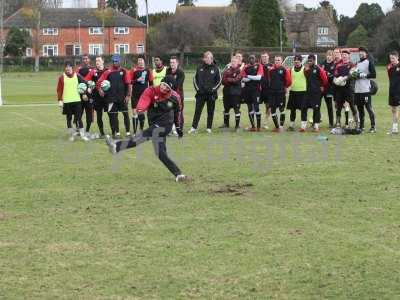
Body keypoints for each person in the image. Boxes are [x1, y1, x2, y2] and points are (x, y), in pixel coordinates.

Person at [105, 76, 187, 182]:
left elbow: (177, 113)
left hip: (165, 124)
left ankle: (116, 146)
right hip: (154, 123)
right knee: (160, 153)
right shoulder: (151, 90)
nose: (164, 89)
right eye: (164, 85)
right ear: (161, 83)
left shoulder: (175, 97)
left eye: (168, 88)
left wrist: (178, 127)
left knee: (143, 136)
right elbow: (144, 99)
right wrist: (140, 109)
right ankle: (178, 175)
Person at [97, 54, 132, 138]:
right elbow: (99, 82)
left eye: (117, 61)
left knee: (125, 114)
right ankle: (116, 133)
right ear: (112, 62)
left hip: (122, 98)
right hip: (111, 98)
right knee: (113, 116)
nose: (116, 62)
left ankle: (128, 132)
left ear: (120, 61)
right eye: (114, 61)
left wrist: (128, 96)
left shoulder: (124, 71)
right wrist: (100, 90)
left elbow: (129, 84)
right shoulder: (108, 72)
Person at [189, 51, 222, 134]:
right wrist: (198, 89)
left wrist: (213, 89)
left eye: (210, 57)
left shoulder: (216, 68)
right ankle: (193, 127)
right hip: (200, 94)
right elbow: (194, 80)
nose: (208, 59)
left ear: (212, 58)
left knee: (210, 111)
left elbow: (219, 81)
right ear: (204, 59)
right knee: (197, 111)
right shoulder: (199, 67)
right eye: (207, 58)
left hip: (211, 94)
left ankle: (209, 128)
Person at [57, 61, 90, 141]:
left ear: (72, 68)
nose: (67, 68)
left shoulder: (77, 75)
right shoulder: (61, 77)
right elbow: (59, 90)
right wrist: (60, 100)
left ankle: (82, 135)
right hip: (67, 102)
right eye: (66, 67)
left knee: (79, 118)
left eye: (69, 67)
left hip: (77, 101)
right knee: (69, 119)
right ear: (64, 68)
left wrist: (85, 92)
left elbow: (85, 83)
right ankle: (72, 135)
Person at [301, 54, 328, 132]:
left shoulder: (318, 69)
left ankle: (316, 126)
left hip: (316, 93)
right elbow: (306, 77)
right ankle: (303, 126)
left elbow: (325, 79)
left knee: (316, 109)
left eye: (311, 61)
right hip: (307, 92)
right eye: (308, 61)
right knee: (303, 107)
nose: (309, 62)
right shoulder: (306, 69)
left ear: (314, 61)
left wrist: (322, 86)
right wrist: (306, 70)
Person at [333, 50, 358, 128]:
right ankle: (338, 122)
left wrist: (345, 78)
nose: (344, 56)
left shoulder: (352, 65)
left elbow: (354, 74)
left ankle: (357, 122)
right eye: (343, 54)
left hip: (349, 88)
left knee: (352, 105)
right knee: (339, 105)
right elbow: (336, 74)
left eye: (345, 55)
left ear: (348, 56)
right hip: (340, 89)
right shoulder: (338, 65)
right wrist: (336, 80)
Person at [354, 47, 376, 133]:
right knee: (360, 109)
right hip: (357, 90)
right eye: (359, 52)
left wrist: (364, 75)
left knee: (368, 108)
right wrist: (354, 75)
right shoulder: (357, 63)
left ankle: (373, 126)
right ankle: (362, 127)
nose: (361, 53)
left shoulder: (369, 62)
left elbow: (374, 74)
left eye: (362, 52)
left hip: (366, 90)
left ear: (366, 54)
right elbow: (355, 74)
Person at [267, 55, 291, 132]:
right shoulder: (271, 70)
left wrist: (284, 87)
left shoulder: (284, 70)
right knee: (273, 110)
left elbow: (289, 81)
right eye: (276, 60)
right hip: (272, 93)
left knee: (281, 109)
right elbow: (269, 79)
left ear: (281, 61)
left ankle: (281, 126)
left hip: (280, 93)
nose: (277, 61)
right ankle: (277, 127)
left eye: (278, 60)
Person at [130, 56, 154, 135]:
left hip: (144, 96)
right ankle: (134, 132)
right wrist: (137, 80)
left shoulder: (148, 71)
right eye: (139, 60)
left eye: (141, 60)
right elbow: (130, 81)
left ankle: (141, 129)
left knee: (141, 113)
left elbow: (151, 84)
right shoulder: (133, 70)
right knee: (134, 113)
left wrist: (151, 95)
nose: (140, 62)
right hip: (135, 95)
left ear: (144, 61)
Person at [240, 54, 264, 131]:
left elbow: (259, 77)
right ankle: (253, 126)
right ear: (248, 59)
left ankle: (259, 127)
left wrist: (248, 76)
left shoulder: (259, 66)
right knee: (250, 108)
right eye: (250, 58)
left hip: (256, 90)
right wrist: (251, 77)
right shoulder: (245, 67)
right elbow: (243, 78)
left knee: (256, 108)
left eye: (253, 58)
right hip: (247, 91)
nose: (251, 60)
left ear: (255, 59)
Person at [221, 55, 242, 130]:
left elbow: (236, 80)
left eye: (235, 61)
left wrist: (228, 79)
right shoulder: (227, 70)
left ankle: (237, 126)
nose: (233, 63)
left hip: (236, 94)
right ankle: (226, 124)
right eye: (232, 61)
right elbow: (223, 81)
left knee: (236, 110)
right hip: (227, 93)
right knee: (226, 109)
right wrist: (231, 79)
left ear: (237, 62)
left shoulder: (239, 70)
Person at [287, 54, 307, 131]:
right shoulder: (291, 69)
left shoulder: (305, 69)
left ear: (301, 61)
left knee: (303, 109)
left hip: (303, 92)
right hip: (293, 91)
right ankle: (291, 125)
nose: (296, 63)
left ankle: (303, 126)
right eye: (295, 61)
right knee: (292, 110)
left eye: (298, 61)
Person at [166, 56, 185, 133]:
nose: (172, 64)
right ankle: (171, 128)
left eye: (173, 62)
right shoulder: (168, 71)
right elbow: (166, 81)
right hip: (169, 96)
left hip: (178, 96)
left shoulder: (181, 72)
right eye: (171, 62)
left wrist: (170, 85)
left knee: (179, 111)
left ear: (177, 63)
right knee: (169, 111)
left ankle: (179, 128)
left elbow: (178, 85)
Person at [77, 54, 95, 134]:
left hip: (90, 95)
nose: (85, 60)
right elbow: (77, 81)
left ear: (89, 60)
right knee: (79, 113)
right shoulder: (79, 70)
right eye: (84, 59)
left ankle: (87, 130)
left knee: (89, 114)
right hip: (80, 95)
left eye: (86, 59)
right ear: (82, 60)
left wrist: (90, 89)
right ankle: (79, 129)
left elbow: (95, 82)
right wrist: (83, 92)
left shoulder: (93, 70)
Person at [320, 50, 336, 128]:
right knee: (317, 104)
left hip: (329, 88)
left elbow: (332, 76)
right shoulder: (322, 63)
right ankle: (316, 120)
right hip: (321, 88)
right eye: (328, 55)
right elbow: (319, 74)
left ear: (333, 56)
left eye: (330, 55)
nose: (329, 57)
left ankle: (331, 123)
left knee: (329, 106)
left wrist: (327, 73)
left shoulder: (334, 65)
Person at [387, 51, 400, 134]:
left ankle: (395, 128)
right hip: (392, 91)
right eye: (390, 58)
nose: (392, 60)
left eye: (393, 58)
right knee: (393, 109)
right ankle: (395, 128)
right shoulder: (389, 67)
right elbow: (390, 79)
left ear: (397, 57)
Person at [260, 52, 273, 129]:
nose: (264, 58)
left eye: (265, 56)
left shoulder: (271, 66)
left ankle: (265, 122)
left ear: (268, 57)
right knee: (255, 106)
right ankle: (255, 122)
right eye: (262, 57)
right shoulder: (258, 66)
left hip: (268, 90)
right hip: (259, 89)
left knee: (268, 106)